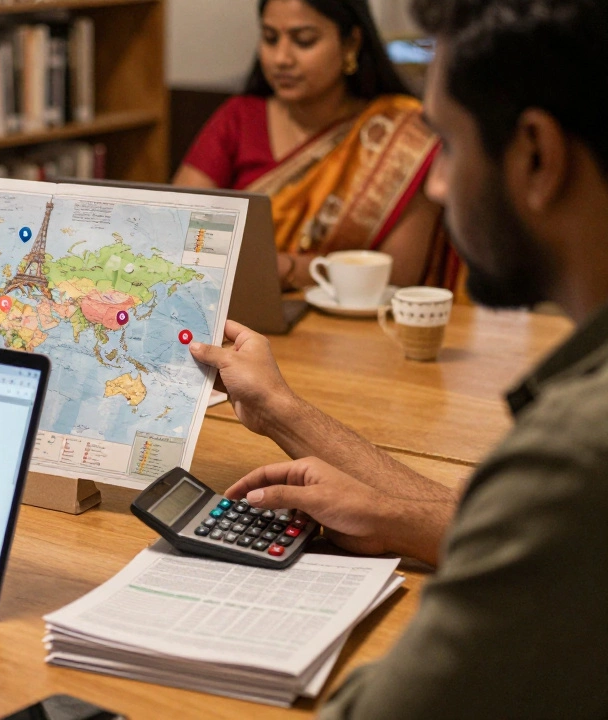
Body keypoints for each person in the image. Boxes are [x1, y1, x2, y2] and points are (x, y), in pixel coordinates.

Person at [188, 0, 608, 714]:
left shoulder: (576, 452)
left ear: (536, 155)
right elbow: (521, 530)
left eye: (446, 143)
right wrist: (383, 506)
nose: (435, 183)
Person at [174, 0, 455, 290]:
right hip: (236, 306)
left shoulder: (402, 138)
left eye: (304, 41)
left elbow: (396, 275)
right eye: (270, 38)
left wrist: (284, 269)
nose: (281, 58)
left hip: (352, 315)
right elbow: (175, 227)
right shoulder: (239, 119)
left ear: (351, 43)